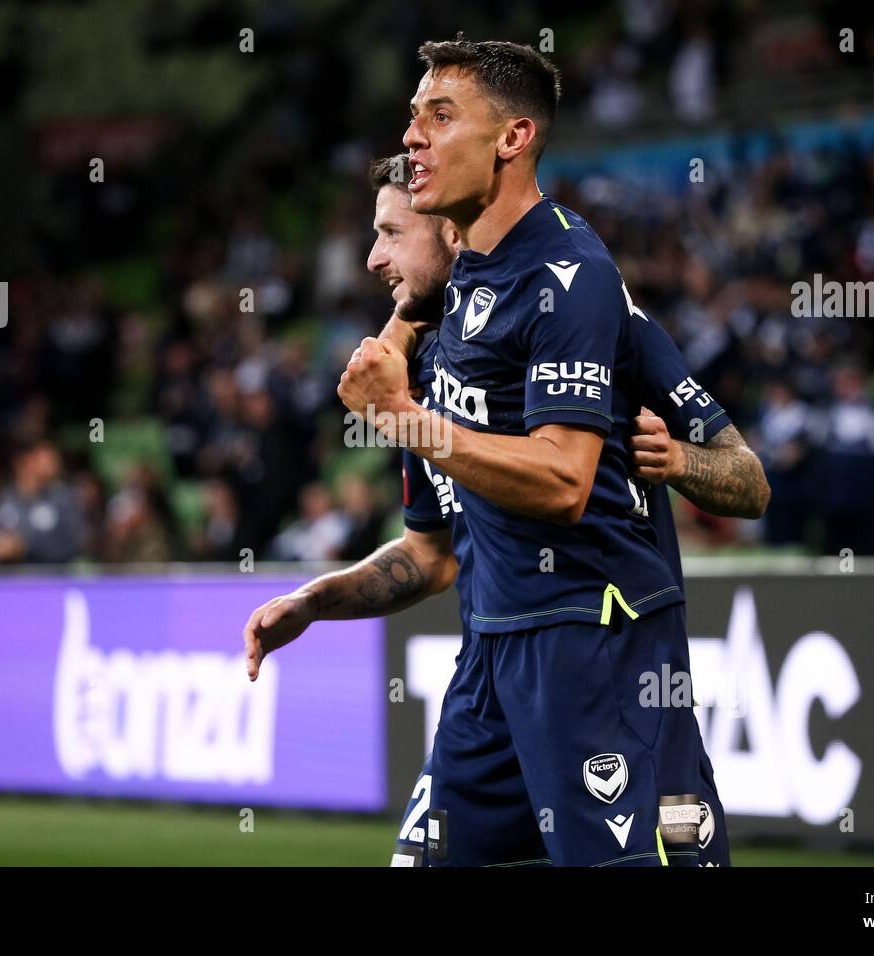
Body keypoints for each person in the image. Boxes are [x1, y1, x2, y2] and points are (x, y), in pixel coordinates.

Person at [245, 143, 767, 864]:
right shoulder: (428, 363)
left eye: (393, 233)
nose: (373, 258)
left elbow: (749, 481)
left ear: (452, 231)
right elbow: (430, 554)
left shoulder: (591, 309)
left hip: (599, 645)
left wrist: (678, 459)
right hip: (490, 667)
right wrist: (315, 600)